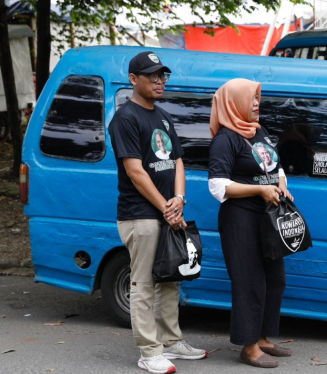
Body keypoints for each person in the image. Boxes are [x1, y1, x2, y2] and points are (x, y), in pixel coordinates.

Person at [108, 51, 207, 374]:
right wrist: (166, 207)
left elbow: (177, 160)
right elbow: (135, 172)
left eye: (162, 76)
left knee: (170, 279)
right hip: (141, 214)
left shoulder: (162, 116)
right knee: (143, 283)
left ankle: (171, 341)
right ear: (134, 80)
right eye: (151, 76)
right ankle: (149, 351)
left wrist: (179, 197)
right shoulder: (125, 119)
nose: (159, 81)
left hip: (167, 213)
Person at [208, 78, 293, 369]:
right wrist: (258, 190)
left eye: (258, 98)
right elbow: (218, 187)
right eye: (251, 99)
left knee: (275, 279)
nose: (257, 104)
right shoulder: (225, 139)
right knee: (249, 283)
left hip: (267, 218)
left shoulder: (259, 131)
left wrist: (281, 184)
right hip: (240, 220)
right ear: (235, 103)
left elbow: (276, 166)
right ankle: (248, 346)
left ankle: (263, 338)